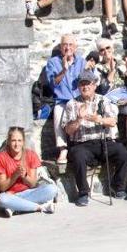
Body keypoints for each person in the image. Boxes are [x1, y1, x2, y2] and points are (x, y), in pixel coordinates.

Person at [62, 71, 127, 205]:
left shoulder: (103, 100)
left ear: (94, 85)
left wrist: (98, 119)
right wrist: (79, 119)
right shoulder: (71, 104)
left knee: (123, 153)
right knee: (78, 156)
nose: (85, 87)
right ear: (78, 87)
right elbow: (68, 130)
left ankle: (117, 186)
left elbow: (112, 121)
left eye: (88, 84)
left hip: (103, 141)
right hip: (82, 144)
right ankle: (83, 192)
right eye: (82, 84)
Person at [44, 34, 88, 171]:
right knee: (58, 113)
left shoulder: (81, 61)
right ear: (60, 47)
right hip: (62, 100)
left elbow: (87, 82)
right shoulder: (53, 62)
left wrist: (88, 69)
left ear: (75, 47)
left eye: (70, 45)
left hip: (78, 100)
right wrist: (64, 70)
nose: (67, 47)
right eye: (65, 45)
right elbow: (52, 84)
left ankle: (85, 145)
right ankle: (63, 148)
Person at [0, 127, 56, 215]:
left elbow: (33, 184)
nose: (16, 144)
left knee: (52, 189)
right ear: (8, 142)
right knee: (1, 199)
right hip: (11, 195)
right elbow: (2, 187)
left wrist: (25, 176)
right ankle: (40, 207)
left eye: (19, 140)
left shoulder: (31, 155)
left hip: (29, 193)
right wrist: (15, 175)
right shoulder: (1, 157)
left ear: (23, 142)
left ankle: (16, 207)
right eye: (13, 140)